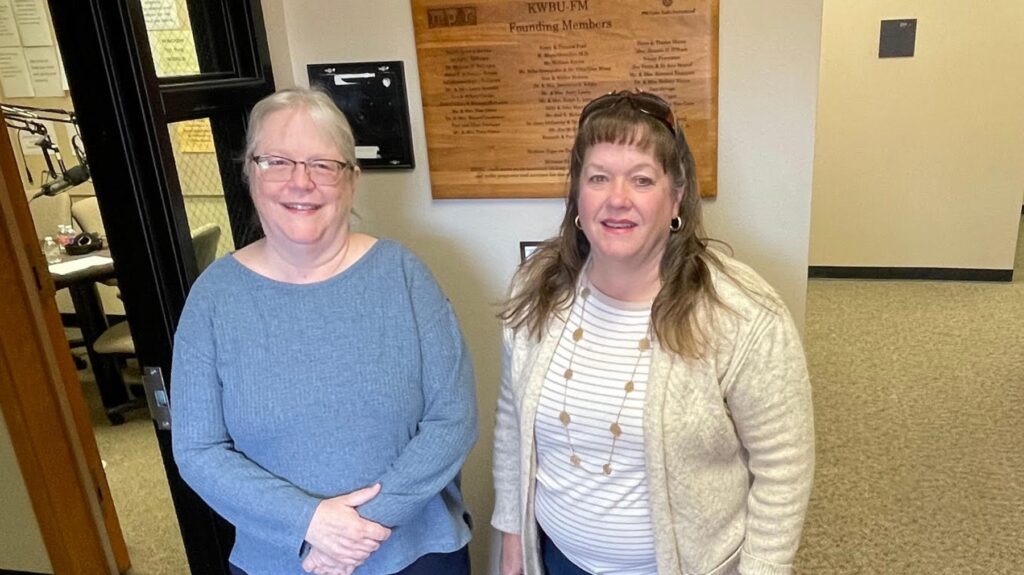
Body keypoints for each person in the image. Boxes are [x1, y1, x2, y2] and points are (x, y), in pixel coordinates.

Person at [492, 91, 815, 575]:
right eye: (598, 177)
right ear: (578, 194)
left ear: (676, 196)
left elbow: (784, 467)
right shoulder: (536, 286)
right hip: (558, 560)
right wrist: (513, 538)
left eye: (642, 179)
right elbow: (512, 422)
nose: (617, 199)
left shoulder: (741, 312)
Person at [171, 87, 478, 575]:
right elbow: (198, 450)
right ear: (250, 173)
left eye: (322, 164)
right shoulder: (213, 299)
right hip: (279, 563)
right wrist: (309, 522)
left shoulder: (404, 277)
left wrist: (357, 530)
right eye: (277, 162)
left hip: (419, 555)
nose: (301, 182)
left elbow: (453, 420)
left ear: (351, 179)